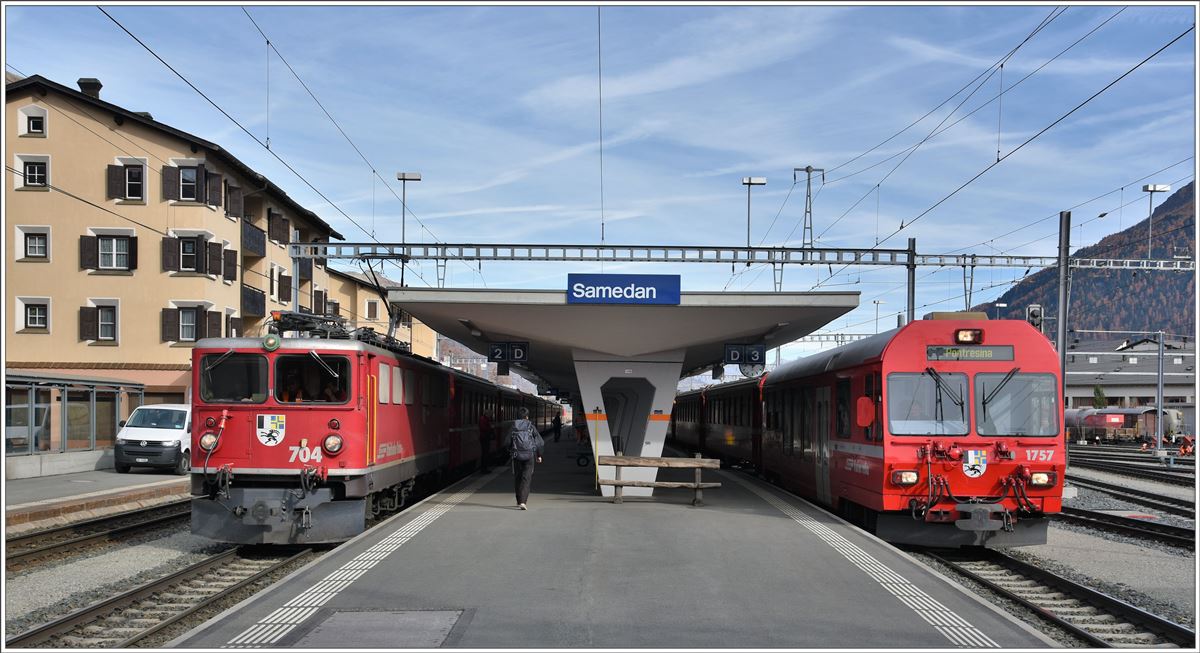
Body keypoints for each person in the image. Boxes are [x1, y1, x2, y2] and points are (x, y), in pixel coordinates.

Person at [505, 406, 544, 510]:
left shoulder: (513, 426)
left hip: (516, 455)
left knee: (518, 477)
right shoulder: (531, 426)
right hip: (529, 455)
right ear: (527, 416)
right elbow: (539, 442)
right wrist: (539, 455)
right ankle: (523, 502)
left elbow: (507, 442)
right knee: (526, 478)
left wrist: (510, 451)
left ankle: (519, 501)